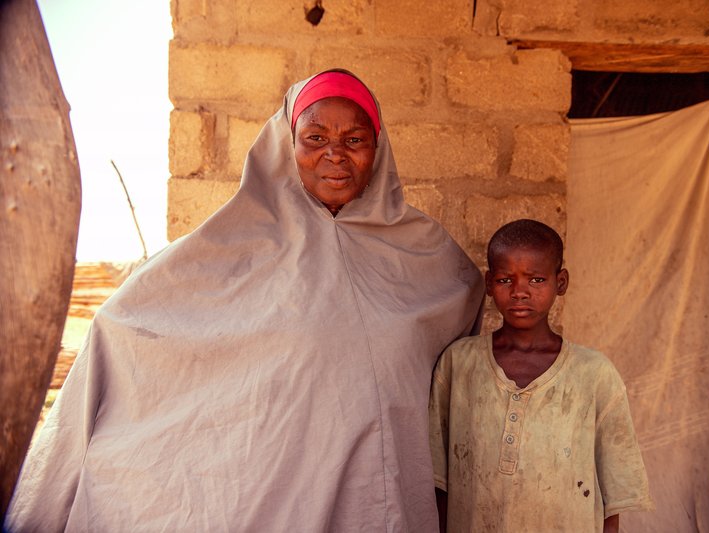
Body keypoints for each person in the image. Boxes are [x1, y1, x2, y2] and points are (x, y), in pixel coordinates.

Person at [5, 70, 484, 532]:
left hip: (375, 493)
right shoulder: (229, 245)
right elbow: (125, 324)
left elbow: (460, 329)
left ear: (377, 151)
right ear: (286, 144)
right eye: (315, 138)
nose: (335, 154)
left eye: (354, 140)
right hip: (271, 491)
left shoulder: (426, 255)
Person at [428, 219, 654, 532]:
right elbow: (438, 482)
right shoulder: (459, 365)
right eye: (506, 280)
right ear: (490, 283)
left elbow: (612, 495)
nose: (520, 292)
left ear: (560, 282)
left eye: (536, 279)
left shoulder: (594, 374)